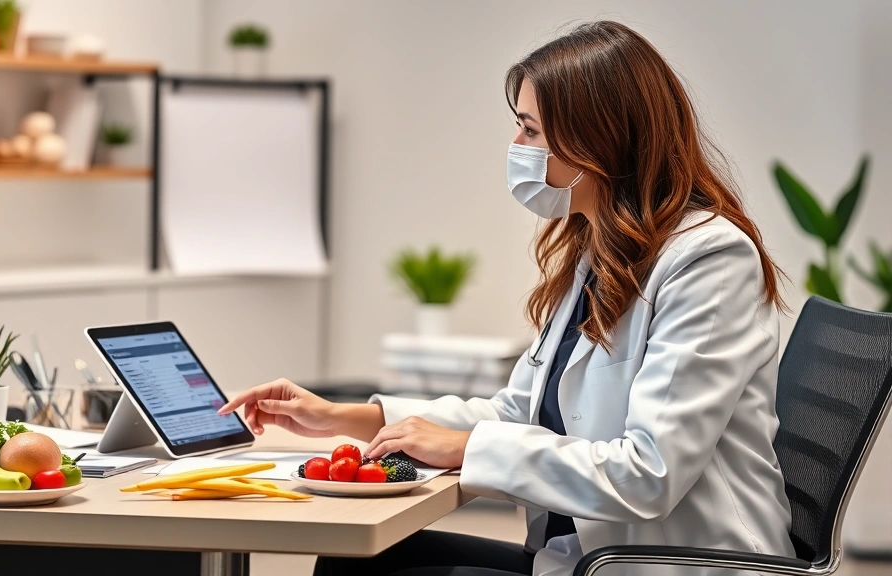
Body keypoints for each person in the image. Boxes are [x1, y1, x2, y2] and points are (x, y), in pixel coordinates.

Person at [219, 20, 796, 576]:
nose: (517, 146)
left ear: (599, 140)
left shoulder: (708, 259)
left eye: (531, 130)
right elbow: (518, 411)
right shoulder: (599, 252)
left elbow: (649, 474)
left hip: (676, 563)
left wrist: (467, 447)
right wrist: (346, 418)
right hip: (586, 553)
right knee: (362, 560)